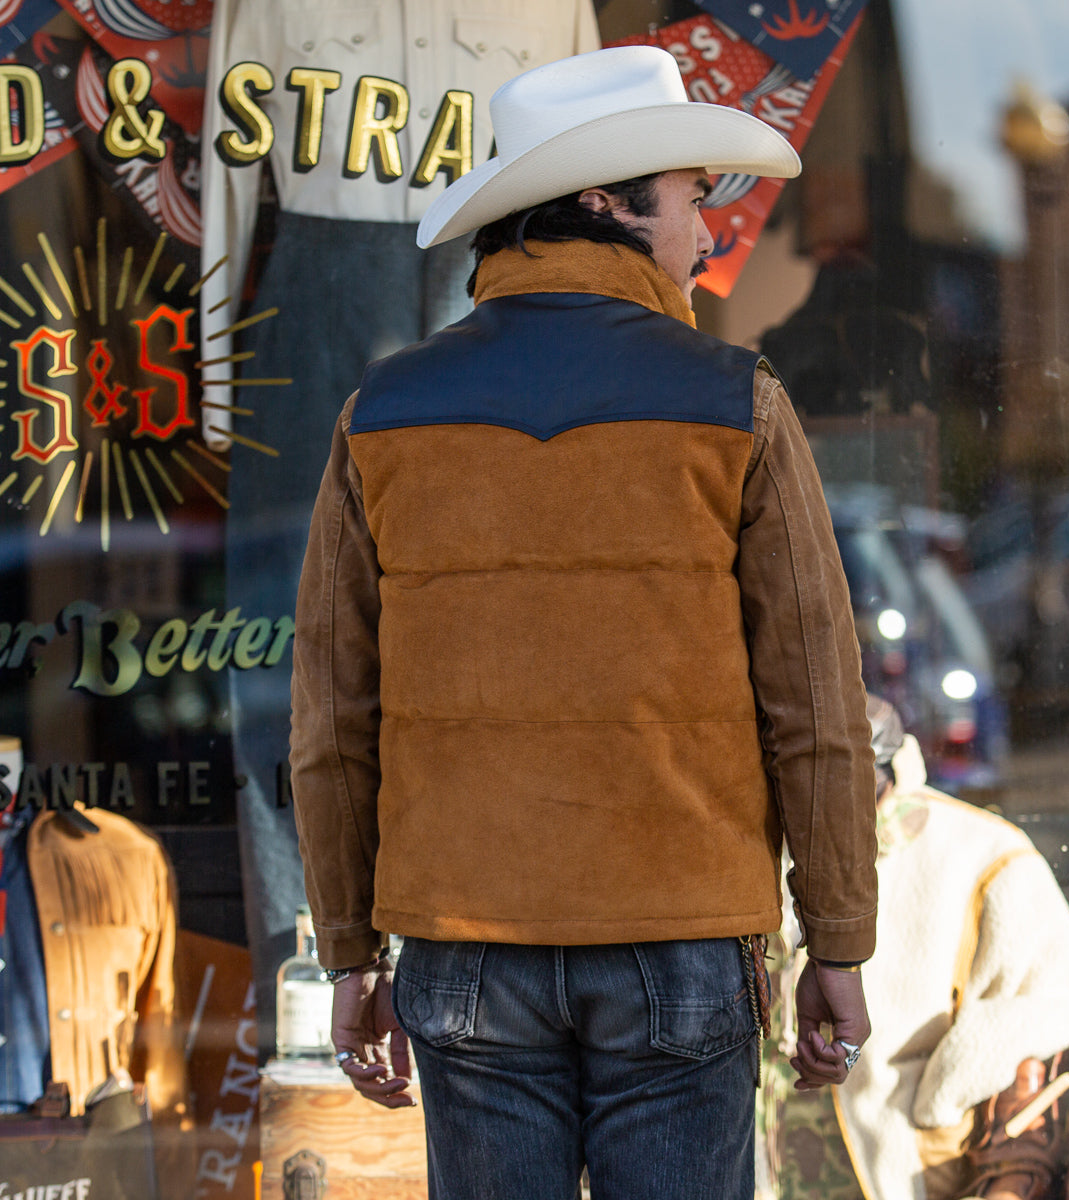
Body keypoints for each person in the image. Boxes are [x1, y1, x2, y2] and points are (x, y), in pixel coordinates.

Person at [289, 45, 878, 1200]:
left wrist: (350, 954)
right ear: (607, 205)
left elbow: (332, 724)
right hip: (681, 933)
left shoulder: (383, 415)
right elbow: (816, 704)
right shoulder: (734, 401)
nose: (707, 236)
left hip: (464, 946)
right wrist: (841, 943)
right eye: (692, 201)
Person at [756, 695, 1069, 1200]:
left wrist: (944, 1099)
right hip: (757, 1167)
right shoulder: (752, 848)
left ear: (883, 765)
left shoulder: (984, 856)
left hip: (903, 1176)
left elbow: (1061, 1017)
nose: (812, 798)